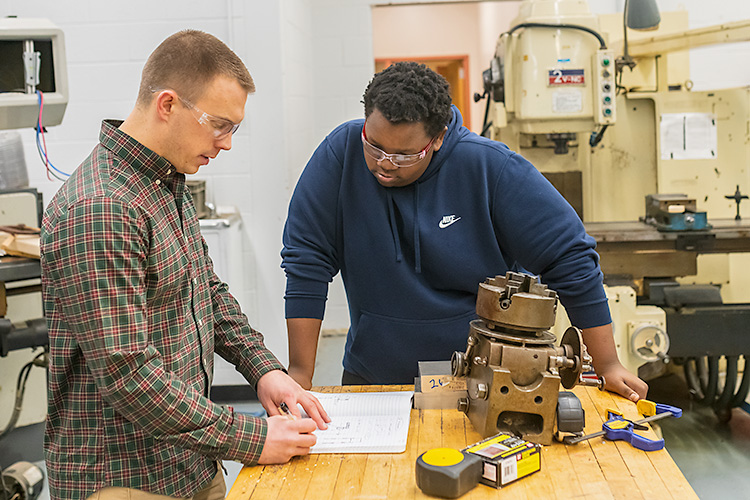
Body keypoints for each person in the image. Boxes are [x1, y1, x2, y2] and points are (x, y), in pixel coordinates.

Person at [40, 30, 329, 500]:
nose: (228, 143)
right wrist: (253, 438)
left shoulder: (164, 181)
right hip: (125, 480)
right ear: (168, 105)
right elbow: (128, 374)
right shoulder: (101, 208)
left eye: (233, 127)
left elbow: (206, 293)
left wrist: (264, 370)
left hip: (188, 461)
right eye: (220, 124)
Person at [282, 61, 648, 402]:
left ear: (438, 138)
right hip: (372, 379)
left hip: (484, 382)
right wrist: (300, 373)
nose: (384, 165)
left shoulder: (490, 168)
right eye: (374, 146)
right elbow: (306, 261)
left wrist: (608, 364)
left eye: (405, 155)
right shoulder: (340, 155)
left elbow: (570, 257)